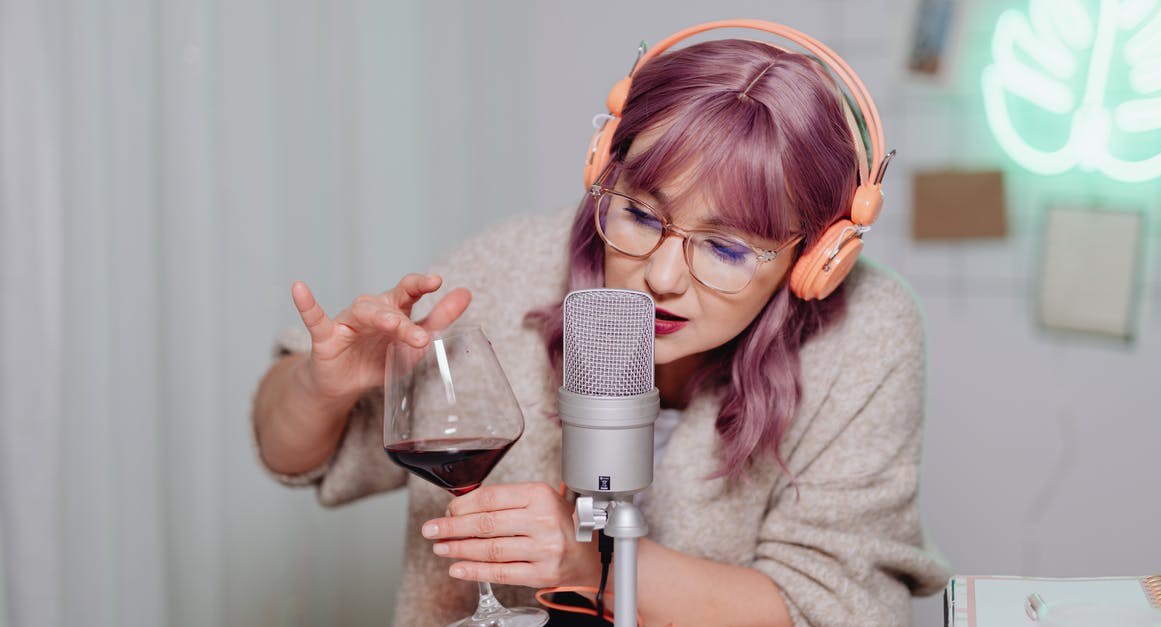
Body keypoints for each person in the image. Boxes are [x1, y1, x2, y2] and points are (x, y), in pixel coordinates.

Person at [253, 20, 950, 627]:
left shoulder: (866, 333)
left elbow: (837, 611)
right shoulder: (508, 265)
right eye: (642, 215)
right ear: (603, 172)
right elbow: (291, 451)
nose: (663, 276)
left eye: (729, 247)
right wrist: (322, 387)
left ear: (817, 260)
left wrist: (599, 562)